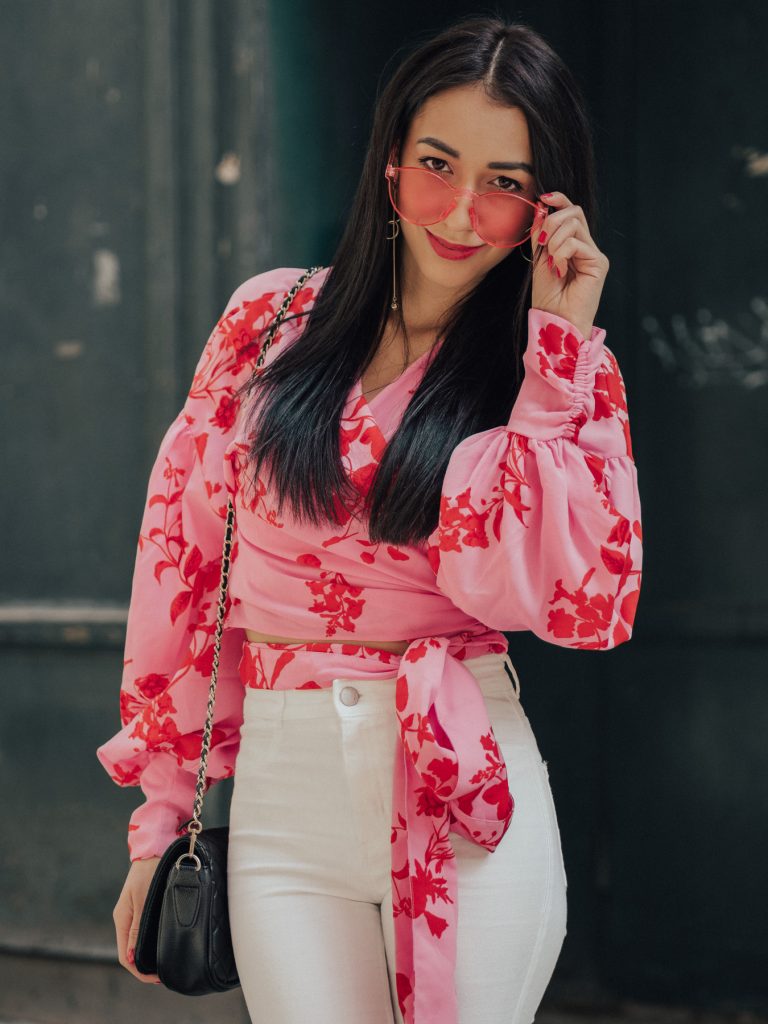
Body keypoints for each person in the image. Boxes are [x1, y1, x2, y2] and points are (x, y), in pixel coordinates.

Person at [98, 14, 642, 1024]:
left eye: (506, 181)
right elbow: (183, 567)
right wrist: (162, 819)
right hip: (282, 793)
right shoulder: (267, 324)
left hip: (462, 779)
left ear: (545, 206)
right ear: (391, 165)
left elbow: (564, 602)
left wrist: (556, 365)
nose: (464, 209)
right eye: (439, 163)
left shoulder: (557, 375)